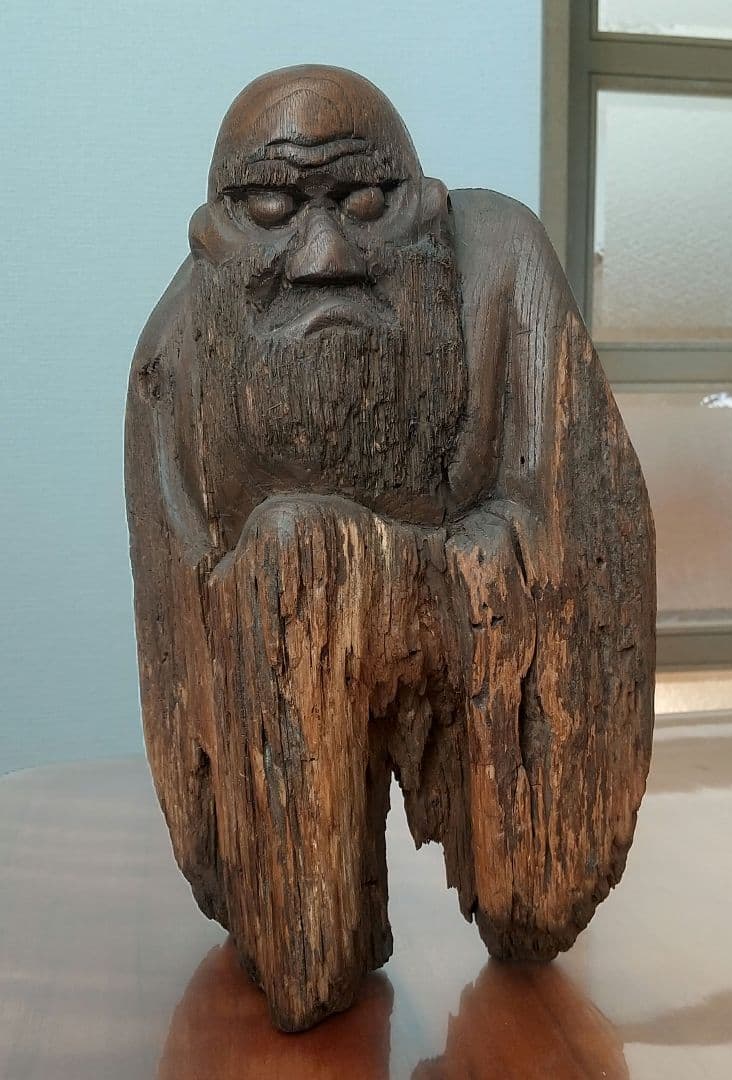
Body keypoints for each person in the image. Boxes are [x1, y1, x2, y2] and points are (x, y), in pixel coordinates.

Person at [126, 65, 655, 1031]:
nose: (325, 254)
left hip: (487, 646)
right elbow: (180, 644)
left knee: (533, 910)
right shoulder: (176, 358)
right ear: (212, 234)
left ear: (427, 207)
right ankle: (308, 932)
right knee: (288, 553)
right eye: (273, 208)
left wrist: (388, 580)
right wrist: (294, 584)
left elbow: (584, 536)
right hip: (278, 721)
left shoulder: (500, 269)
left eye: (366, 202)